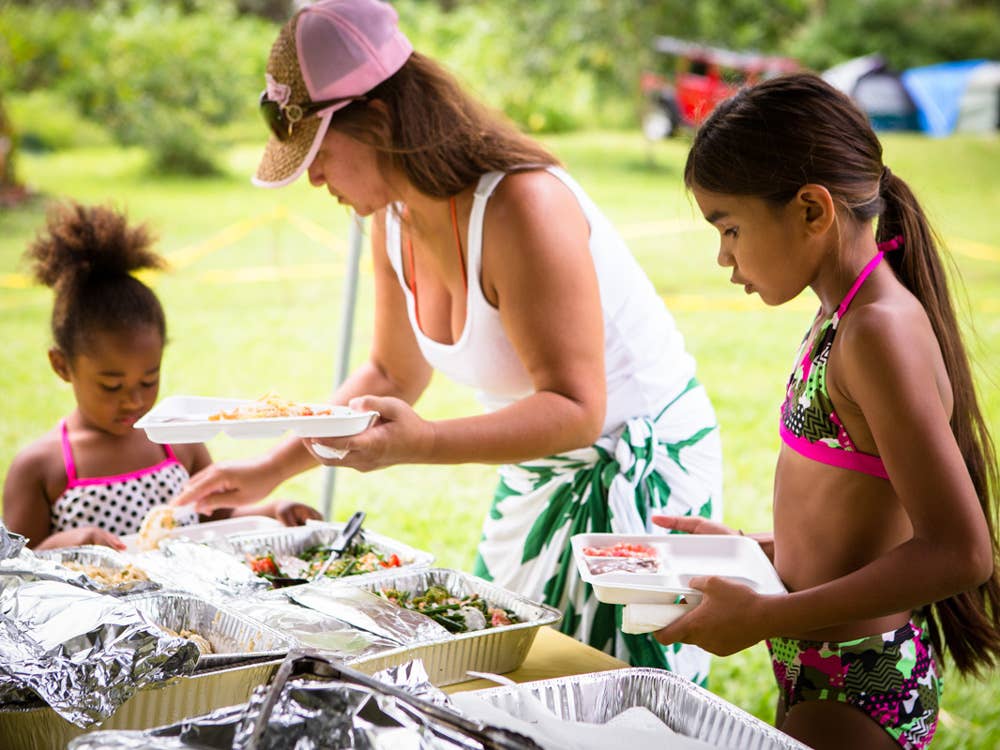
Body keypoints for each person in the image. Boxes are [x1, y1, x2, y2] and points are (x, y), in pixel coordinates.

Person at [173, 0, 722, 680]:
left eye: (318, 152)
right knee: (507, 672)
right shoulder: (391, 218)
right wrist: (268, 469)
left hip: (641, 473)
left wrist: (421, 443)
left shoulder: (523, 205)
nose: (313, 176)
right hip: (543, 465)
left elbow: (577, 405)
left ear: (375, 120)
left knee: (616, 693)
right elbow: (389, 371)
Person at [652, 73, 1000, 749]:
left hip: (857, 681)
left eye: (730, 228)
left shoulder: (879, 332)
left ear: (813, 211)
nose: (723, 257)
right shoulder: (839, 315)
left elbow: (961, 552)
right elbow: (865, 530)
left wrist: (767, 614)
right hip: (819, 667)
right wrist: (750, 554)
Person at [2, 202, 322, 551]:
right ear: (62, 365)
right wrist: (66, 544)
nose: (134, 400)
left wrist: (273, 511)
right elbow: (15, 571)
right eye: (112, 385)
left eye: (149, 380)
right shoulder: (42, 466)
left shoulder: (177, 441)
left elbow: (217, 517)